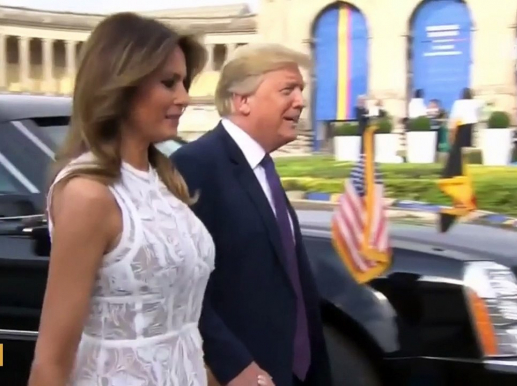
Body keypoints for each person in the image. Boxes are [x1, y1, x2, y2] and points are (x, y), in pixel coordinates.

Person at [27, 13, 214, 386]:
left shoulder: (166, 179)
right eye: (168, 83)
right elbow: (51, 360)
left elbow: (180, 333)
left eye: (184, 82)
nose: (184, 97)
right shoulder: (88, 196)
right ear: (121, 85)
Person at [171, 43, 332, 386]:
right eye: (287, 90)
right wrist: (233, 366)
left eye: (301, 90)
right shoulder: (196, 166)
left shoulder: (263, 167)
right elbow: (183, 286)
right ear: (241, 100)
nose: (300, 102)